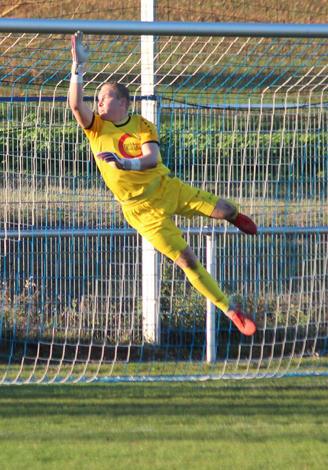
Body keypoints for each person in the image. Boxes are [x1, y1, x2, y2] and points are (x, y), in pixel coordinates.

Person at [67, 31, 258, 336]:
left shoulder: (142, 124)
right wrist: (77, 66)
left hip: (167, 189)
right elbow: (76, 105)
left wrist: (123, 163)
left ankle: (235, 216)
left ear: (123, 101)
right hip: (140, 212)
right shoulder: (96, 127)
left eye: (103, 96)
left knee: (225, 208)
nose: (97, 101)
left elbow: (152, 159)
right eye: (97, 98)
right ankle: (230, 310)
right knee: (188, 261)